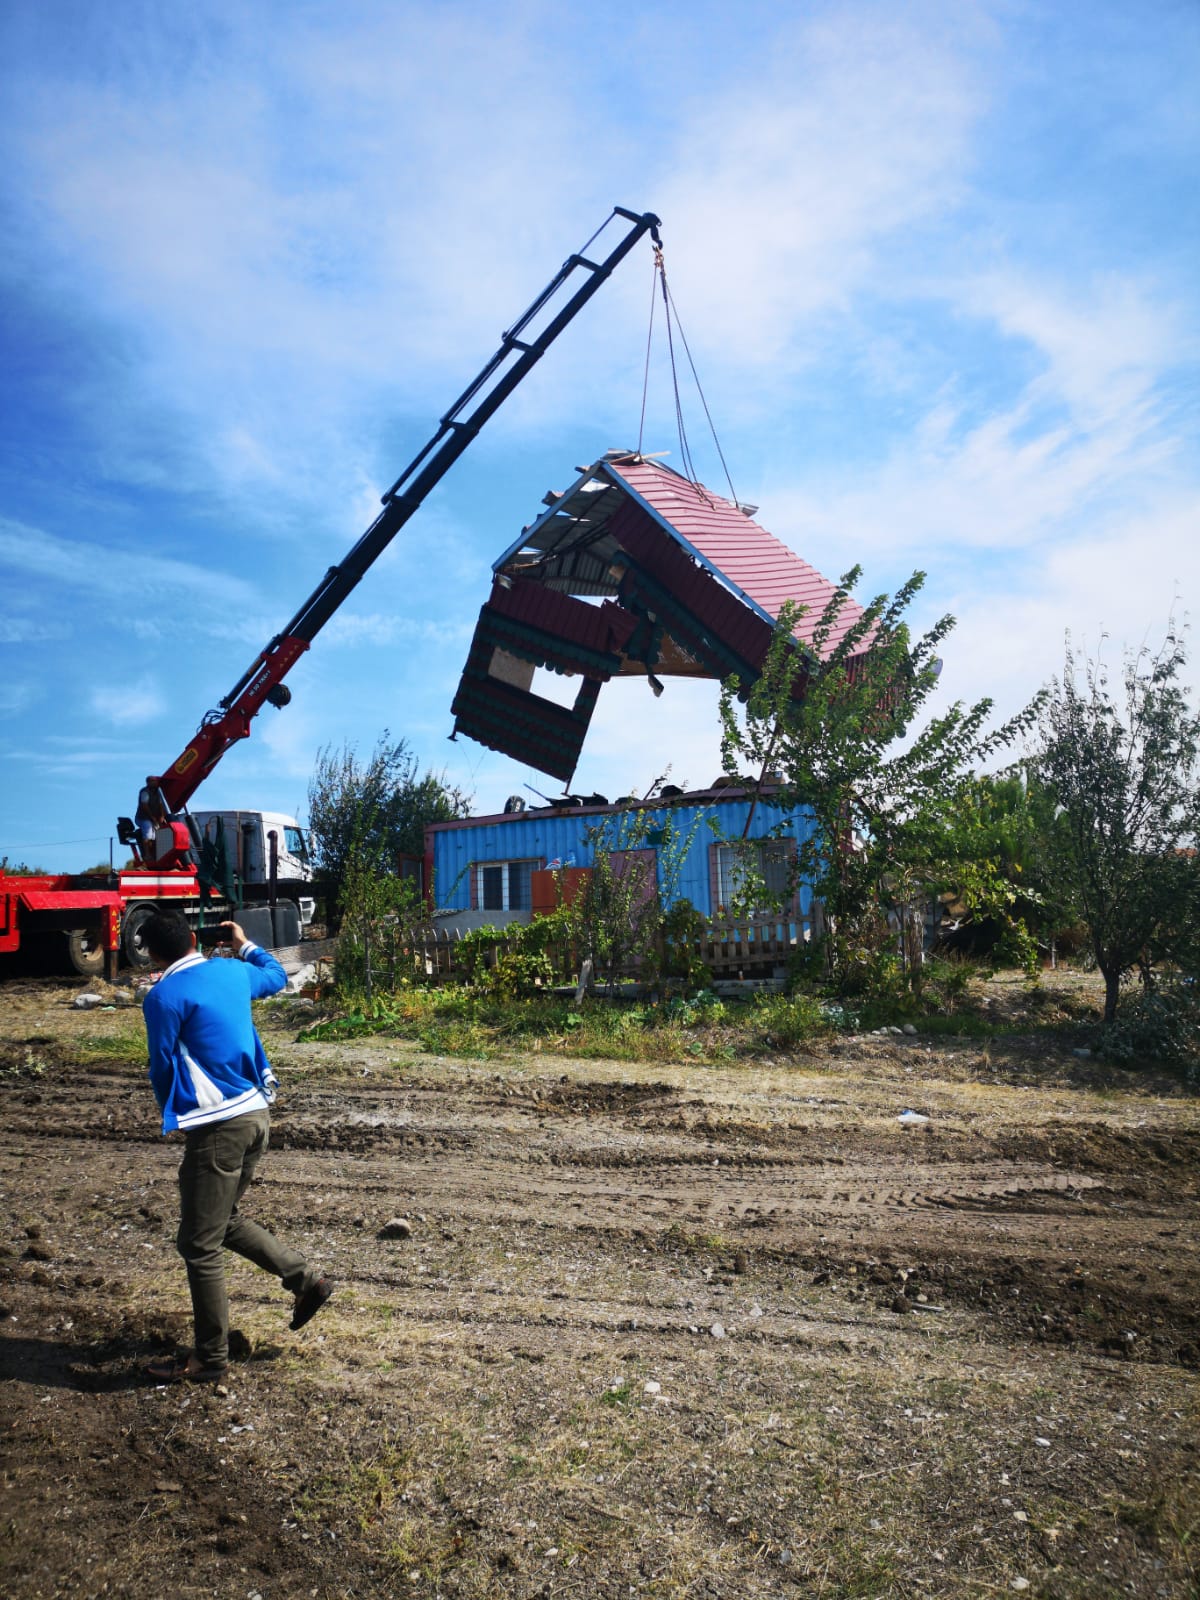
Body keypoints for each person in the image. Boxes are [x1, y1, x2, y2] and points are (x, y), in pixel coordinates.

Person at [139, 908, 332, 1382]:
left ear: (153, 953)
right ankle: (305, 1281)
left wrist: (177, 1113)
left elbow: (162, 1066)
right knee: (222, 1222)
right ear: (192, 938)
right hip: (256, 1115)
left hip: (218, 1128)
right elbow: (274, 975)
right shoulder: (230, 970)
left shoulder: (163, 996)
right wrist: (242, 942)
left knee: (198, 1243)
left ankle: (210, 1358)